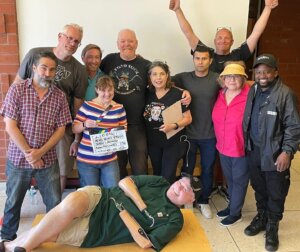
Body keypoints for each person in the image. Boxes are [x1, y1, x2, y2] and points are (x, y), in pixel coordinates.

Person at [1, 175, 198, 252]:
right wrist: (140, 205)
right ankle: (22, 248)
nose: (178, 188)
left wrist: (126, 215)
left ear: (191, 200)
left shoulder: (174, 220)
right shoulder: (161, 182)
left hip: (99, 230)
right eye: (179, 182)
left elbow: (147, 244)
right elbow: (125, 182)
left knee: (50, 233)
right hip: (101, 197)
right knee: (70, 204)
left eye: (185, 189)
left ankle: (9, 246)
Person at [0, 52, 72, 242]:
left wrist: (40, 152)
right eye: (43, 68)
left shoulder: (59, 96)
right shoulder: (17, 90)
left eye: (52, 69)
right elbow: (10, 125)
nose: (47, 73)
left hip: (47, 161)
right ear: (34, 68)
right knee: (13, 202)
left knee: (55, 203)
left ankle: (52, 238)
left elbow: (60, 129)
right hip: (18, 160)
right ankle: (7, 238)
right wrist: (30, 154)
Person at [100, 29, 191, 178]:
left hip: (138, 125)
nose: (126, 44)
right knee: (118, 164)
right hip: (114, 124)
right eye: (122, 41)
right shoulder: (109, 60)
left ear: (136, 43)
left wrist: (182, 91)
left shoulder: (145, 65)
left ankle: (141, 196)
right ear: (117, 44)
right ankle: (123, 196)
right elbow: (96, 77)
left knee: (140, 165)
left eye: (130, 41)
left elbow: (161, 80)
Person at [14, 23, 88, 192]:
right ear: (59, 36)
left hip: (60, 125)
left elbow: (78, 107)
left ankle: (56, 203)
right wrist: (14, 120)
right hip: (30, 122)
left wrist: (77, 138)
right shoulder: (35, 55)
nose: (72, 43)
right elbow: (16, 86)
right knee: (25, 162)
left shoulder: (79, 70)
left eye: (77, 41)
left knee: (61, 167)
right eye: (69, 38)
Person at [243, 54, 300, 251]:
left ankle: (273, 225)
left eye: (267, 71)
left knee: (276, 192)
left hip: (275, 154)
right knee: (259, 188)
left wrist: (287, 152)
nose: (262, 75)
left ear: (275, 73)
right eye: (258, 72)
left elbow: (293, 127)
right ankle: (262, 216)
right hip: (254, 150)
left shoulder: (285, 94)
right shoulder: (254, 90)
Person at [172, 45, 219, 219]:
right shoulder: (184, 78)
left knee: (207, 169)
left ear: (210, 61)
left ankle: (204, 201)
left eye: (204, 58)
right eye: (197, 58)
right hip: (189, 134)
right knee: (187, 169)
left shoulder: (217, 79)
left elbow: (235, 85)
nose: (200, 61)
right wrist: (182, 91)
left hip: (210, 134)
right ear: (193, 60)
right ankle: (187, 200)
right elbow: (161, 81)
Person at [169, 0, 279, 73]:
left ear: (232, 42)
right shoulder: (206, 53)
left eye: (227, 38)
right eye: (220, 37)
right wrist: (177, 10)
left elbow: (256, 33)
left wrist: (268, 8)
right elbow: (189, 33)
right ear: (215, 40)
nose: (223, 40)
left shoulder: (239, 54)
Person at [212, 61, 250, 226]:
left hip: (242, 147)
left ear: (243, 79)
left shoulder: (250, 96)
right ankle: (232, 207)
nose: (232, 80)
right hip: (223, 146)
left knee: (239, 181)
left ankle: (236, 213)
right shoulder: (221, 94)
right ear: (223, 79)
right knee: (231, 180)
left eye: (236, 77)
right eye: (228, 76)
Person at [72, 76, 127, 188]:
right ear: (97, 90)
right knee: (91, 194)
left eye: (110, 90)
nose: (107, 93)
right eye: (103, 90)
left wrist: (113, 135)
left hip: (109, 159)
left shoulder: (119, 108)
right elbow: (74, 128)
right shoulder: (87, 106)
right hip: (87, 159)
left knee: (113, 191)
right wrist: (84, 124)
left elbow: (124, 130)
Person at [144, 61, 192, 183]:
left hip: (173, 142)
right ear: (150, 77)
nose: (158, 78)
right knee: (156, 173)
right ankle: (159, 200)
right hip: (153, 142)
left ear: (167, 76)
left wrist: (173, 126)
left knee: (168, 175)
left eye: (162, 74)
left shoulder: (178, 94)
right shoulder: (146, 93)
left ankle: (168, 200)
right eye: (154, 74)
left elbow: (188, 118)